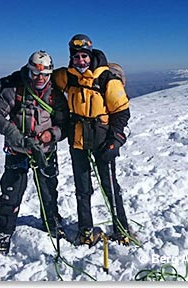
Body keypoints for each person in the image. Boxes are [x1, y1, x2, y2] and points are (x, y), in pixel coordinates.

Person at [0, 50, 69, 255]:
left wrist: (52, 134)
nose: (40, 78)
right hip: (18, 150)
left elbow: (65, 124)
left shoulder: (55, 94)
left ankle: (51, 222)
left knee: (48, 189)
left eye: (45, 74)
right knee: (11, 192)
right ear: (29, 71)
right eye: (35, 73)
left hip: (45, 150)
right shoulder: (14, 90)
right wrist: (14, 135)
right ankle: (5, 229)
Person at [52, 34, 131, 246]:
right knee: (82, 188)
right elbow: (40, 75)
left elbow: (121, 112)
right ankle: (85, 229)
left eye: (84, 56)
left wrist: (115, 140)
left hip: (102, 141)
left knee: (110, 186)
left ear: (90, 55)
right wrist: (13, 79)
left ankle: (121, 228)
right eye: (76, 57)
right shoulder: (67, 76)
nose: (81, 61)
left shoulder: (106, 79)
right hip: (78, 141)